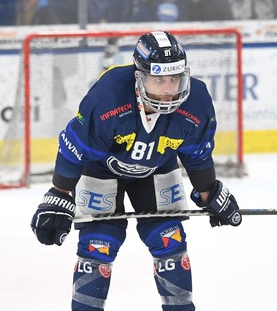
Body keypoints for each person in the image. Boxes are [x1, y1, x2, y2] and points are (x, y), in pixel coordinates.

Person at [30, 31, 242, 311]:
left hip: (157, 168)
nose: (169, 89)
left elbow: (197, 153)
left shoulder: (197, 102)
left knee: (170, 239)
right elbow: (75, 146)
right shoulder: (108, 96)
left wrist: (208, 191)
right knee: (99, 243)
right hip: (101, 169)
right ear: (139, 76)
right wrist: (59, 194)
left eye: (174, 78)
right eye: (159, 79)